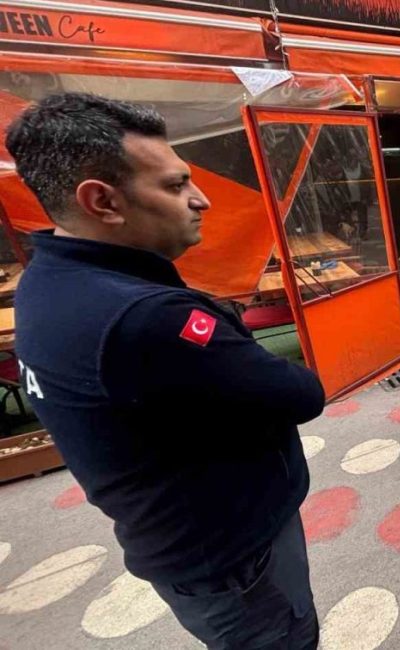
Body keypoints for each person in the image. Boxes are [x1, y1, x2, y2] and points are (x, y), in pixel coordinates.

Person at [8, 93, 325, 648]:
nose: (200, 199)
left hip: (184, 547)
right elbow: (301, 393)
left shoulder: (48, 279)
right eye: (176, 185)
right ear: (103, 201)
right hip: (236, 556)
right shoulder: (147, 318)